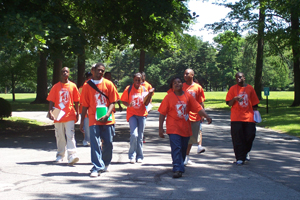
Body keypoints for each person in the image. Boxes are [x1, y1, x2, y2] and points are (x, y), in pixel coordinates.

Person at [158, 77, 212, 178]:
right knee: (176, 148)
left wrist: (207, 116)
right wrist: (160, 128)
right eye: (174, 83)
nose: (177, 84)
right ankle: (177, 168)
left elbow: (198, 108)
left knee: (183, 148)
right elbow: (162, 113)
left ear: (182, 84)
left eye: (179, 82)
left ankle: (180, 163)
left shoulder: (188, 96)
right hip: (173, 127)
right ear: (172, 86)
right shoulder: (168, 97)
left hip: (185, 128)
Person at [80, 63, 120, 177]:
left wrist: (107, 114)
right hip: (93, 118)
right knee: (95, 143)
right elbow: (84, 105)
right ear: (92, 70)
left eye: (102, 70)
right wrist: (82, 120)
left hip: (107, 118)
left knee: (108, 142)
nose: (100, 72)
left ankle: (105, 163)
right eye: (98, 70)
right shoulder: (87, 86)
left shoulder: (109, 84)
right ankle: (97, 166)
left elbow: (113, 101)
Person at [47, 67, 80, 165]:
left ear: (69, 73)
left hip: (69, 114)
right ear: (60, 74)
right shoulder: (56, 86)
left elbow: (76, 101)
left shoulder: (73, 86)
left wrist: (77, 113)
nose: (65, 73)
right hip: (58, 115)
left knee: (70, 135)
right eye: (63, 72)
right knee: (59, 135)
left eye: (66, 71)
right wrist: (50, 111)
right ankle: (60, 155)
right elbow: (51, 100)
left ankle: (72, 155)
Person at [225, 72, 260, 165]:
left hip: (249, 117)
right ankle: (239, 158)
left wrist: (256, 115)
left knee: (250, 136)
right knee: (237, 138)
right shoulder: (232, 89)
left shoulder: (250, 88)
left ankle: (245, 151)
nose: (238, 79)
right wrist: (235, 99)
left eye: (240, 77)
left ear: (244, 78)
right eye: (236, 78)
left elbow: (255, 104)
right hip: (236, 118)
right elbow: (229, 103)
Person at [120, 73, 154, 163]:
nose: (138, 81)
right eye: (136, 80)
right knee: (134, 134)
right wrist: (128, 105)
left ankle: (139, 156)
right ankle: (132, 155)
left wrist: (149, 95)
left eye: (139, 80)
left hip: (142, 114)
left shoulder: (144, 89)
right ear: (133, 80)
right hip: (132, 114)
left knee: (140, 136)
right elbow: (123, 100)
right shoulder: (129, 89)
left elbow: (146, 103)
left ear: (142, 80)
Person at [182, 69, 206, 166]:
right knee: (183, 137)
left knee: (191, 139)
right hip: (183, 116)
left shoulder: (198, 88)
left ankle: (186, 156)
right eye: (184, 73)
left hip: (195, 116)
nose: (185, 75)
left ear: (192, 75)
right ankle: (183, 156)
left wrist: (203, 114)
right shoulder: (181, 86)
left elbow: (201, 102)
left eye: (187, 74)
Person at [79, 71, 93, 146]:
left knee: (85, 125)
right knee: (87, 125)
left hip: (83, 109)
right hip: (86, 108)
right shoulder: (87, 85)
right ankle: (87, 140)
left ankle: (86, 140)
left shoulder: (81, 87)